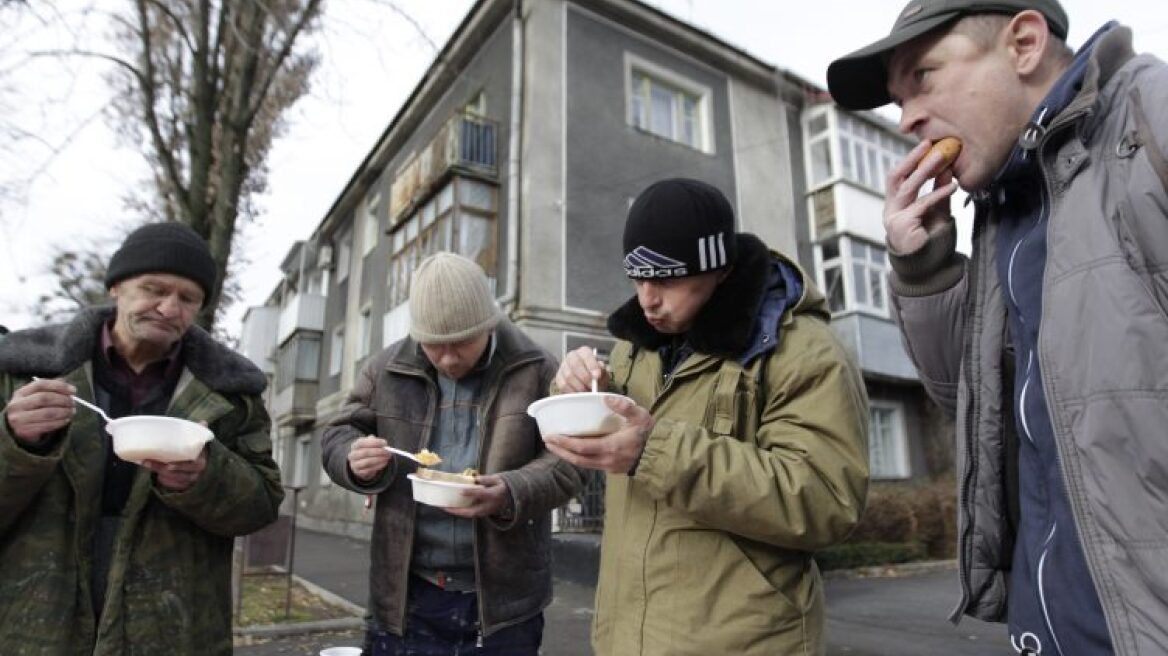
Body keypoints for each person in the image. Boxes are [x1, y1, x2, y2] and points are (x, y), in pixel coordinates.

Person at [827, 1, 1168, 653]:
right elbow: (978, 412)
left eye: (922, 77)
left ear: (1023, 43)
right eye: (897, 103)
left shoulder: (1148, 116)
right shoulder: (1002, 212)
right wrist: (922, 269)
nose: (907, 121)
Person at [547, 178, 870, 656]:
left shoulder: (802, 350)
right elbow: (607, 420)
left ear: (720, 270)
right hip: (626, 637)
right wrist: (574, 385)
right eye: (637, 278)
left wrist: (651, 450)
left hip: (743, 641)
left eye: (667, 279)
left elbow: (826, 500)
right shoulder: (634, 349)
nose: (646, 300)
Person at [0, 222, 283, 654]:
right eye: (154, 289)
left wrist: (203, 478)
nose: (169, 309)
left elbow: (261, 506)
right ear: (116, 287)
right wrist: (16, 442)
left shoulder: (230, 394)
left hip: (171, 628)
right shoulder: (23, 372)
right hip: (35, 624)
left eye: (188, 299)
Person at [320, 251, 585, 656]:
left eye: (460, 343)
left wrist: (509, 492)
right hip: (407, 595)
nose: (447, 359)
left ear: (487, 324)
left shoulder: (535, 367)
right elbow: (339, 432)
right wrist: (353, 460)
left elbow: (570, 460)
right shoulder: (384, 369)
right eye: (433, 346)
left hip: (505, 602)